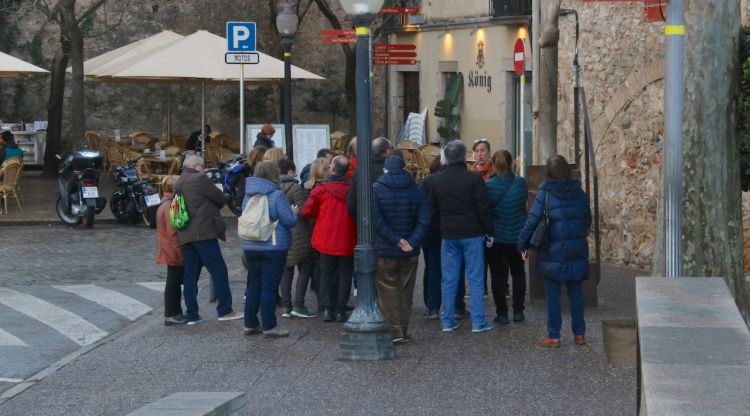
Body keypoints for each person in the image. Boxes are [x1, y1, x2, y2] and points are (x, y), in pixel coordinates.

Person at [518, 155, 591, 348]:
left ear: (548, 173)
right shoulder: (580, 193)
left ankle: (554, 335)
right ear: (567, 170)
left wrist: (522, 245)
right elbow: (587, 221)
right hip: (576, 249)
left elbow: (532, 221)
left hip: (552, 251)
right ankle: (579, 334)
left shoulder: (545, 194)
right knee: (576, 292)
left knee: (553, 294)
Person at [428, 140, 495, 334]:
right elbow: (484, 209)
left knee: (448, 279)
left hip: (448, 234)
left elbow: (432, 210)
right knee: (475, 279)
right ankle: (478, 321)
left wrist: (440, 227)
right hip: (472, 233)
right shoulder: (473, 179)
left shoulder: (435, 181)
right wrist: (489, 232)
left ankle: (447, 320)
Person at [174, 154, 243, 325]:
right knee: (218, 269)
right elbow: (220, 199)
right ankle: (225, 310)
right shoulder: (199, 179)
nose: (204, 169)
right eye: (202, 166)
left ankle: (192, 315)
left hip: (185, 233)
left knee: (191, 275)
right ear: (196, 166)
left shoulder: (179, 181)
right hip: (203, 232)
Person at [372, 156, 430, 343]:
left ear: (385, 170)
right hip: (410, 251)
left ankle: (394, 330)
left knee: (387, 290)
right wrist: (411, 241)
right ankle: (403, 328)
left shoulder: (376, 189)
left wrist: (396, 240)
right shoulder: (416, 188)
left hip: (386, 249)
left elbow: (377, 221)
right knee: (406, 290)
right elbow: (424, 219)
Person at [241, 161, 298, 337]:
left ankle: (250, 324)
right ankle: (269, 326)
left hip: (250, 245)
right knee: (269, 286)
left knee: (253, 285)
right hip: (273, 246)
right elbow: (289, 221)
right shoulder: (276, 194)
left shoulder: (248, 194)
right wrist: (294, 211)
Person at [301, 156, 357, 322]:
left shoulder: (321, 189)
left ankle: (327, 308)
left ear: (332, 169)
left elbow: (307, 211)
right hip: (347, 237)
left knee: (325, 273)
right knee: (345, 274)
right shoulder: (352, 189)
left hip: (326, 238)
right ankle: (340, 309)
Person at [420, 157, 468, 320]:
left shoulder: (427, 182)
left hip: (431, 231)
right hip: (453, 229)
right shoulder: (456, 181)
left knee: (433, 267)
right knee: (456, 268)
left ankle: (432, 305)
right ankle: (458, 305)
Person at [485, 150, 528, 325]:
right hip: (518, 236)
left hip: (498, 238)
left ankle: (502, 313)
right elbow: (522, 207)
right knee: (518, 273)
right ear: (511, 164)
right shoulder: (521, 184)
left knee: (498, 276)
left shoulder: (488, 185)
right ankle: (518, 311)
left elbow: (487, 211)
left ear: (494, 165)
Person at [277, 159, 316, 319]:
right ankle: (299, 304)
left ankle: (286, 307)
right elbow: (304, 211)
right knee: (305, 269)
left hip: (282, 235)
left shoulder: (274, 187)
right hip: (299, 234)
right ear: (291, 172)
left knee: (286, 271)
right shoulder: (294, 188)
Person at [156, 176, 186, 326]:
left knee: (173, 281)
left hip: (167, 248)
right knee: (173, 282)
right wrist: (180, 253)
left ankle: (175, 312)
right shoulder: (169, 206)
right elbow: (173, 232)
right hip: (171, 249)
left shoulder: (164, 203)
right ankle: (171, 313)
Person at [346, 137, 394, 219]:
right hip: (389, 222)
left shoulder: (361, 169)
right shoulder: (393, 170)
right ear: (387, 151)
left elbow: (352, 202)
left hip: (367, 220)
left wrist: (360, 221)